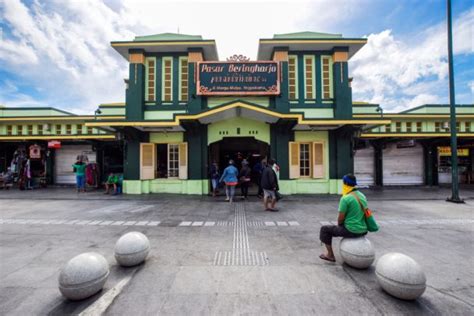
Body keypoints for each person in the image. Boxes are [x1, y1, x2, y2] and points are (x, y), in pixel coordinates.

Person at [319, 174, 368, 262]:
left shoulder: (345, 198)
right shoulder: (362, 196)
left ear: (345, 183)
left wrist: (340, 226)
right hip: (364, 230)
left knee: (324, 229)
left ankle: (330, 255)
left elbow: (340, 218)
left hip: (351, 230)